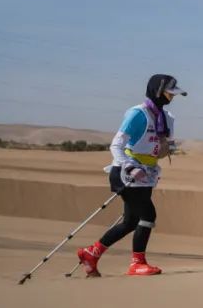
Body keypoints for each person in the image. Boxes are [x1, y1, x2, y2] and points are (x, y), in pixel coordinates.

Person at [77, 74, 187, 277]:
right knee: (148, 215)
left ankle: (91, 253)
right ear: (157, 91)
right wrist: (129, 167)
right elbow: (116, 145)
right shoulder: (138, 114)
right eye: (168, 93)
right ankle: (137, 263)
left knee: (130, 221)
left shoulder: (167, 119)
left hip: (147, 174)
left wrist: (165, 148)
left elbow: (161, 148)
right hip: (127, 173)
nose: (171, 98)